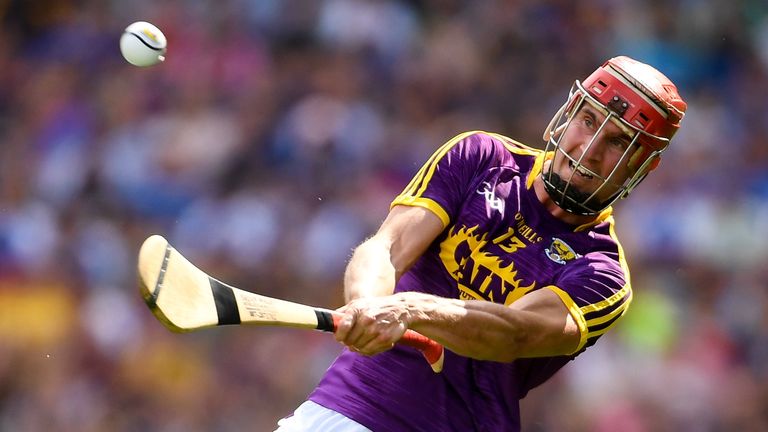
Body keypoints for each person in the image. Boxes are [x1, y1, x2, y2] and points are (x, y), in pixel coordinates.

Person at [275, 56, 687, 431]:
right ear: (567, 114)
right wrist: (366, 303)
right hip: (343, 409)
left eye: (618, 142)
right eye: (589, 120)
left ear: (642, 166)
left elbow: (513, 334)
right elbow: (386, 248)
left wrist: (409, 309)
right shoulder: (482, 157)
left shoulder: (602, 275)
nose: (590, 149)